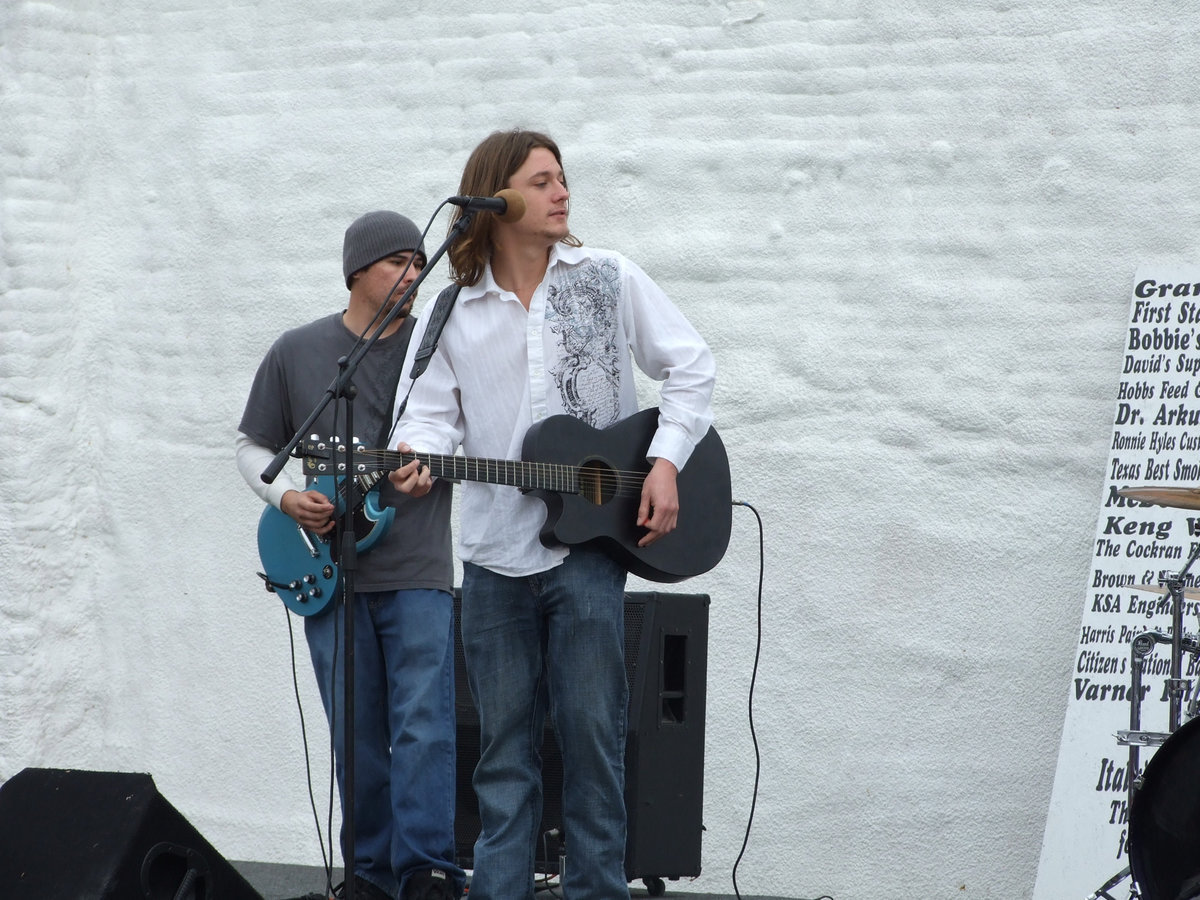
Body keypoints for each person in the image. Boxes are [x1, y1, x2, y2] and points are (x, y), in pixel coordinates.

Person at [388, 130, 716, 900]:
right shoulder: (449, 312)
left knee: (594, 744)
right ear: (496, 201)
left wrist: (665, 461)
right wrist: (413, 456)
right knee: (502, 756)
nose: (562, 192)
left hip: (588, 557)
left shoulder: (608, 278)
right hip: (495, 557)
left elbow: (690, 365)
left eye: (562, 178)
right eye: (541, 182)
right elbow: (427, 419)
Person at [236, 211, 463, 900]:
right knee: (355, 731)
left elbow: (470, 431)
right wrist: (284, 503)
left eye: (419, 264)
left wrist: (433, 465)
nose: (412, 275)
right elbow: (252, 446)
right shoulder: (298, 351)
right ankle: (367, 875)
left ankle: (426, 871)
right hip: (329, 572)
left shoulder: (438, 350)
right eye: (398, 262)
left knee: (425, 724)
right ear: (357, 272)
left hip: (419, 568)